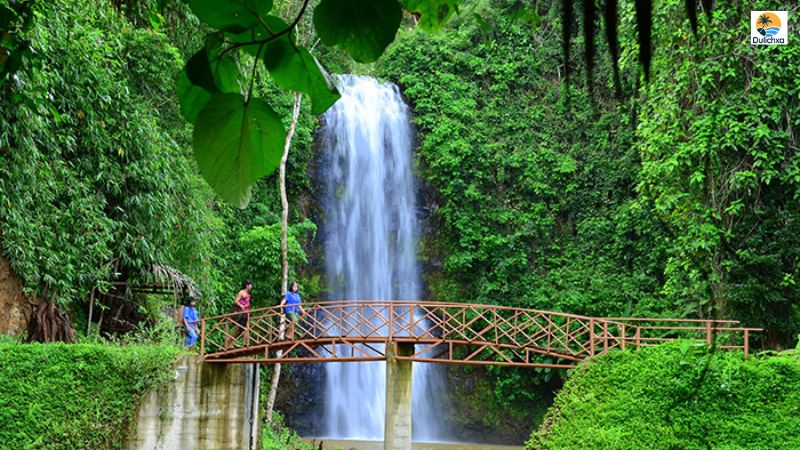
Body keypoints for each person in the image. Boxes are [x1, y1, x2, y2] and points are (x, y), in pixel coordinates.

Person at [227, 279, 252, 348]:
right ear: (247, 285)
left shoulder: (247, 294)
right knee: (238, 329)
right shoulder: (241, 292)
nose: (251, 286)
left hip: (246, 313)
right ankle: (229, 344)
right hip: (240, 313)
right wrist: (241, 306)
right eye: (250, 285)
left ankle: (245, 344)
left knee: (246, 328)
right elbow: (235, 301)